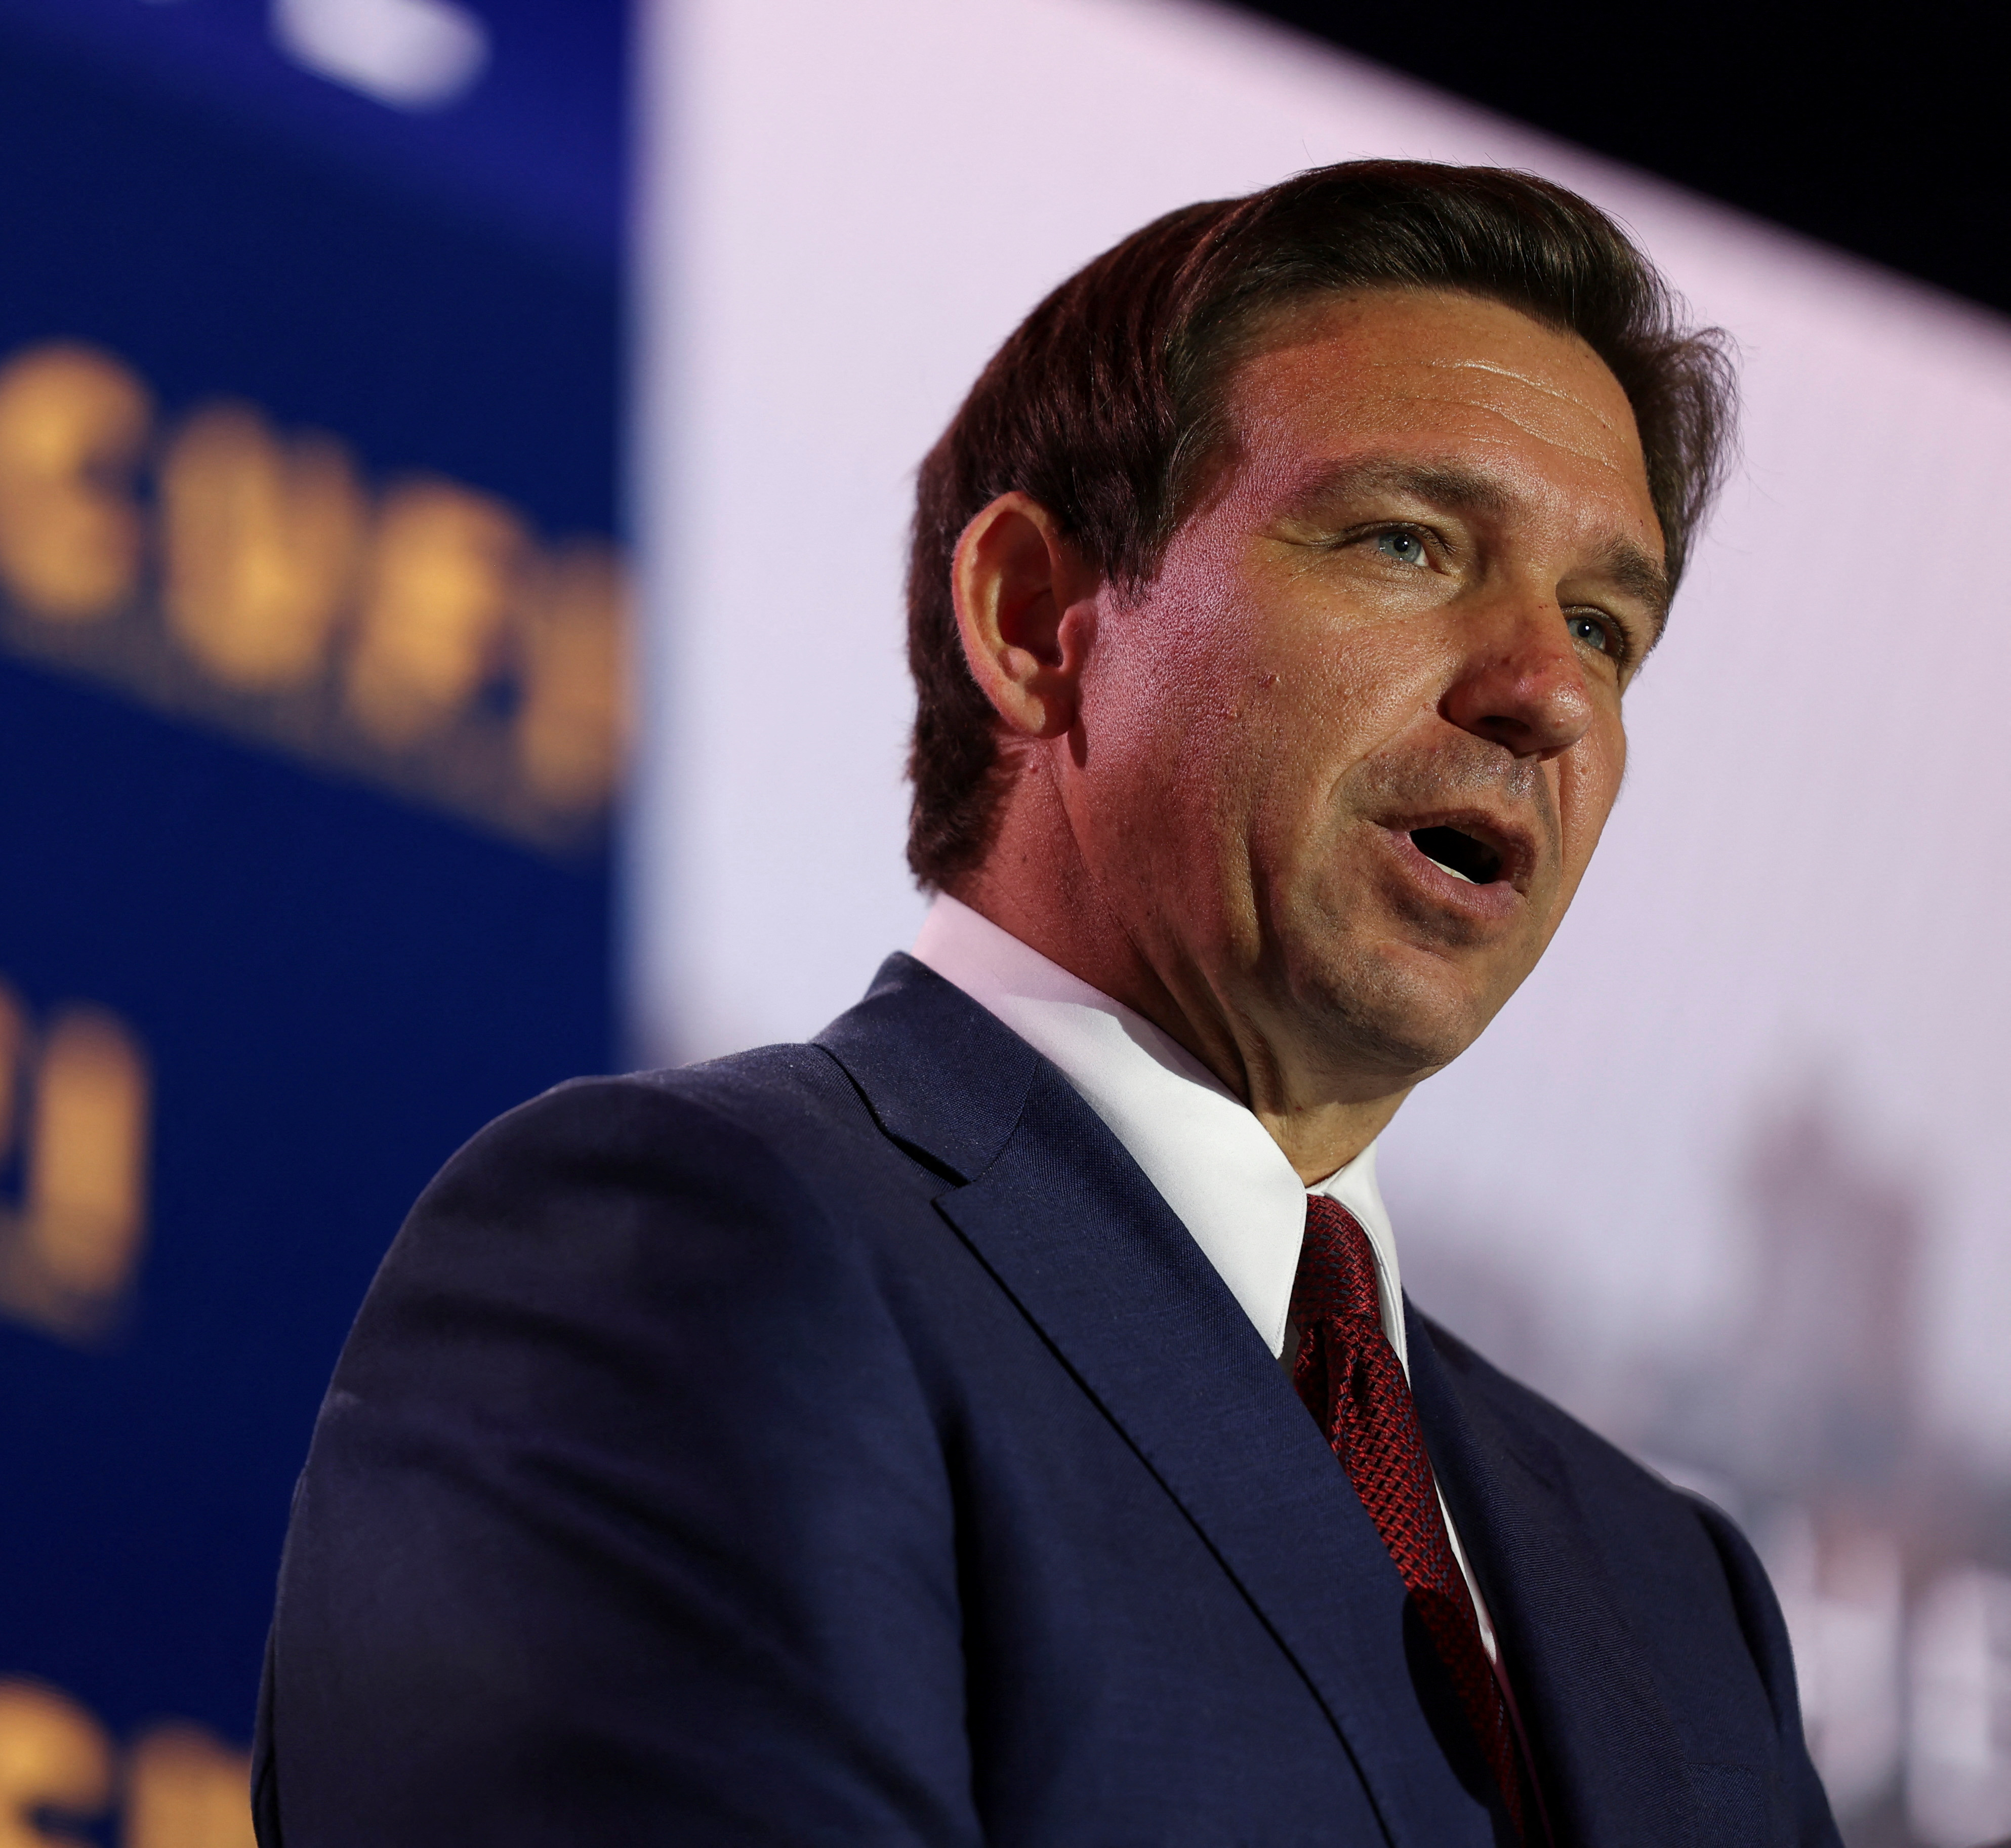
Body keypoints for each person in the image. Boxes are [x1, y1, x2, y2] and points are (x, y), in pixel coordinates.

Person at [253, 161, 1838, 1845]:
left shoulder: (1679, 1594)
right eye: (1407, 540)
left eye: (1605, 625)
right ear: (1034, 624)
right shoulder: (678, 1257)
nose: (1544, 692)